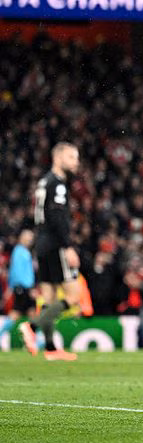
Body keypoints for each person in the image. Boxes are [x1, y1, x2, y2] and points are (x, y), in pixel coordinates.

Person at [18, 143, 82, 361]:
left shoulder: (43, 181)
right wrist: (68, 246)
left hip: (42, 243)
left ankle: (52, 348)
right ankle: (32, 327)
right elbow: (56, 216)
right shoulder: (59, 184)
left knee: (48, 299)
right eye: (72, 157)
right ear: (59, 157)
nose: (76, 162)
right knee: (74, 296)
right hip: (55, 245)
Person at [1, 230, 36, 337]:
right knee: (15, 313)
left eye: (31, 238)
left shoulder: (22, 251)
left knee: (32, 313)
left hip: (24, 287)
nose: (30, 240)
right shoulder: (20, 252)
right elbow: (17, 272)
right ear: (22, 238)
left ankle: (34, 340)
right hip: (23, 287)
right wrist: (28, 287)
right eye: (28, 238)